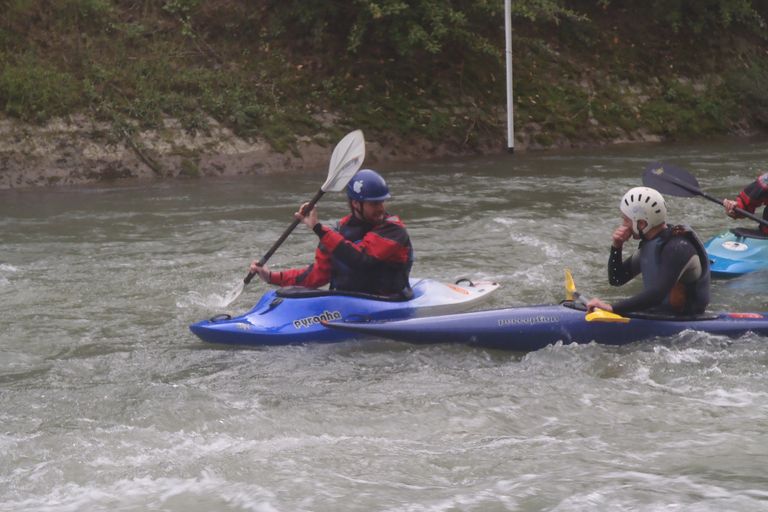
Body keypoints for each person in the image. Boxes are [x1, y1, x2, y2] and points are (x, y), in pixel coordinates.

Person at [249, 169, 414, 297]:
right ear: (356, 203)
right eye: (374, 204)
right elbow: (316, 276)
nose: (381, 208)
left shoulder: (394, 230)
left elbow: (362, 259)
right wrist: (270, 276)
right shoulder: (339, 231)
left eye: (382, 202)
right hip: (345, 304)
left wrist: (318, 229)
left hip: (387, 303)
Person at [586, 186, 710, 316]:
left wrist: (612, 308)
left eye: (626, 220)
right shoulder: (652, 244)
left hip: (686, 325)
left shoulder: (678, 248)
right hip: (659, 316)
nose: (623, 225)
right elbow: (617, 279)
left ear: (641, 224)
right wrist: (617, 246)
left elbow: (657, 295)